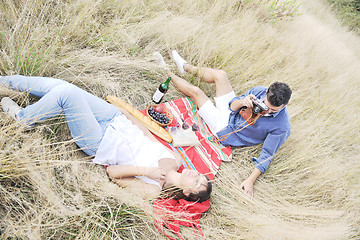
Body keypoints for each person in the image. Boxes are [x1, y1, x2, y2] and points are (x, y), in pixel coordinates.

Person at [0, 75, 212, 202]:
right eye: (201, 176)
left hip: (100, 141)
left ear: (186, 191)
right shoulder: (177, 161)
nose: (197, 175)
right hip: (114, 120)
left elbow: (113, 174)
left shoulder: (153, 189)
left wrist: (148, 172)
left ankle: (23, 119)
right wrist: (125, 113)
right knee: (65, 86)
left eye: (197, 182)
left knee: (67, 93)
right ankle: (6, 80)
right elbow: (147, 134)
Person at [154, 50, 292, 198]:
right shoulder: (260, 91)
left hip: (225, 128)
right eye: (266, 106)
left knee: (196, 92)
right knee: (221, 75)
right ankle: (185, 67)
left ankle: (166, 71)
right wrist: (242, 102)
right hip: (231, 112)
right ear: (267, 93)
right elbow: (232, 106)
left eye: (273, 110)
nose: (267, 111)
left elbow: (267, 155)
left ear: (286, 104)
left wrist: (250, 180)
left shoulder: (281, 126)